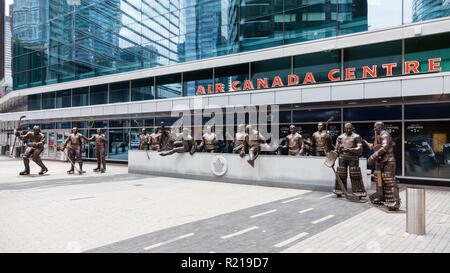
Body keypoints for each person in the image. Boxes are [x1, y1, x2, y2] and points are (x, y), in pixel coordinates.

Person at [364, 122, 401, 211]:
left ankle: (396, 201)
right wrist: (366, 143)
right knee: (379, 179)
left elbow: (384, 147)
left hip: (388, 161)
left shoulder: (385, 135)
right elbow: (375, 147)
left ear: (380, 127)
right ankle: (382, 196)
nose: (374, 129)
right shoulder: (378, 136)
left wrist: (373, 156)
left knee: (389, 180)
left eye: (375, 128)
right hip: (381, 161)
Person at [333, 123, 366, 199]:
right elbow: (336, 148)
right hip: (342, 157)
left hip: (353, 158)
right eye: (347, 128)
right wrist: (334, 154)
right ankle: (339, 190)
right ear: (344, 128)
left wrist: (350, 149)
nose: (348, 130)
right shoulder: (340, 137)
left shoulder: (356, 136)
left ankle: (358, 191)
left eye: (350, 128)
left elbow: (360, 148)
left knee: (355, 174)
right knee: (341, 174)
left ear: (352, 128)